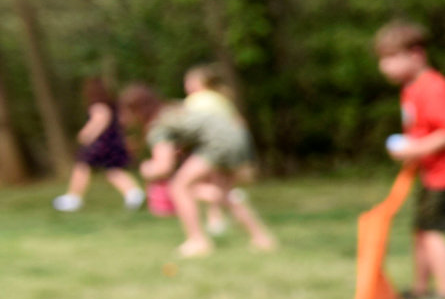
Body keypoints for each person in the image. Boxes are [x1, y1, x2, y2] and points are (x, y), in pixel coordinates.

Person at [374, 21, 445, 299]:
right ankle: (420, 289)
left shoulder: (433, 87)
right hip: (433, 173)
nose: (384, 67)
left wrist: (415, 149)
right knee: (421, 230)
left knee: (433, 231)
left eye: (390, 58)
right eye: (382, 60)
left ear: (416, 54)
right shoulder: (411, 89)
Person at [139, 65, 277, 257]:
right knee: (220, 192)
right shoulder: (222, 99)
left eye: (189, 81)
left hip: (215, 144)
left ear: (198, 83)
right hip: (237, 141)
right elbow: (238, 123)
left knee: (181, 186)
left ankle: (200, 238)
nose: (186, 85)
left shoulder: (196, 100)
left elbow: (192, 127)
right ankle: (260, 238)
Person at [53, 76, 147, 212]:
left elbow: (99, 122)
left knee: (82, 166)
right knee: (113, 170)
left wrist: (85, 135)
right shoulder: (114, 106)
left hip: (101, 144)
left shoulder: (98, 106)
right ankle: (134, 193)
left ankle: (74, 198)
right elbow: (126, 122)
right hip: (115, 143)